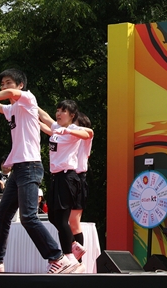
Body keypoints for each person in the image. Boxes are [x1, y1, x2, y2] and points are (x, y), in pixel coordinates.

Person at [0, 68, 76, 273]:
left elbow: (8, 95)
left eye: (9, 82)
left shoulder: (28, 99)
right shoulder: (13, 109)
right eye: (2, 84)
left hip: (30, 166)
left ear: (20, 85)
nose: (4, 87)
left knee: (28, 217)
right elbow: (0, 106)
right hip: (19, 170)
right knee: (1, 215)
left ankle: (57, 258)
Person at [39, 100, 92, 273]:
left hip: (69, 177)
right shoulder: (57, 129)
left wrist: (68, 130)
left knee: (67, 221)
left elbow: (89, 133)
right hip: (57, 177)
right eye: (58, 110)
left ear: (72, 116)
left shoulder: (73, 131)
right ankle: (74, 246)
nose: (59, 113)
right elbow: (46, 121)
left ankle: (70, 257)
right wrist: (31, 109)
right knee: (53, 217)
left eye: (63, 111)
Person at [70, 111, 94, 271]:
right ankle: (69, 259)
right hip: (67, 179)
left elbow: (89, 133)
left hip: (79, 180)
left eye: (74, 124)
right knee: (63, 222)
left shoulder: (85, 139)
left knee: (74, 223)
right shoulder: (69, 140)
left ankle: (79, 262)